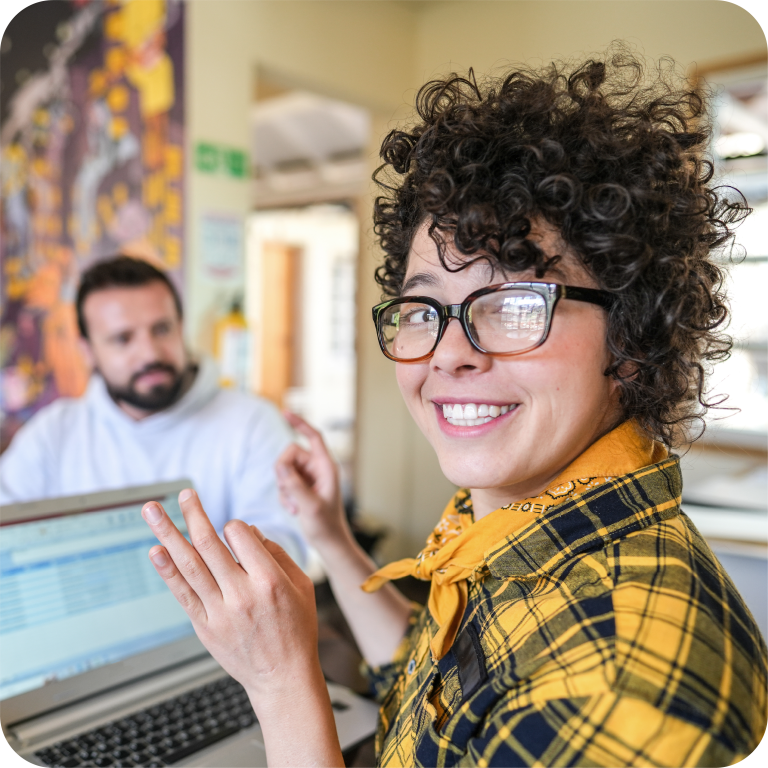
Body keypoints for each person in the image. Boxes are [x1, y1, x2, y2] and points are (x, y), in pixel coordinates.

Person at [139, 50, 768, 767]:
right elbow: (436, 692)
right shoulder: (520, 512)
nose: (448, 353)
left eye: (514, 303)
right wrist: (332, 537)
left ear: (633, 338)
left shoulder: (616, 691)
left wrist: (280, 682)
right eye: (424, 308)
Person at [0, 256, 305, 562]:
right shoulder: (52, 433)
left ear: (181, 328)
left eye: (162, 329)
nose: (150, 353)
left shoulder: (253, 423)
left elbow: (281, 554)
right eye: (123, 338)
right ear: (87, 351)